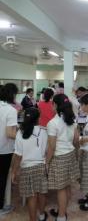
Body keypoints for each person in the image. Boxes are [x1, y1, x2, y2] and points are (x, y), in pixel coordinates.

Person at [46, 94, 79, 221]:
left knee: (60, 189)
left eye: (52, 104)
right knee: (67, 185)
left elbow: (52, 147)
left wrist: (47, 162)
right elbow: (76, 140)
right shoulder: (71, 119)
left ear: (55, 105)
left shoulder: (52, 123)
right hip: (70, 155)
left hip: (59, 157)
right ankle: (62, 210)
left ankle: (61, 217)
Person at [12, 108, 48, 221]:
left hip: (27, 168)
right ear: (38, 118)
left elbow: (18, 155)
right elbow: (47, 150)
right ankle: (42, 215)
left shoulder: (20, 132)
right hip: (41, 166)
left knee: (31, 197)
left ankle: (32, 219)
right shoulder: (44, 131)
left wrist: (14, 171)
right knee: (42, 193)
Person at [0, 83, 18, 215]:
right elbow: (10, 134)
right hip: (4, 149)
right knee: (2, 178)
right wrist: (23, 135)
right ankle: (1, 207)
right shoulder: (10, 110)